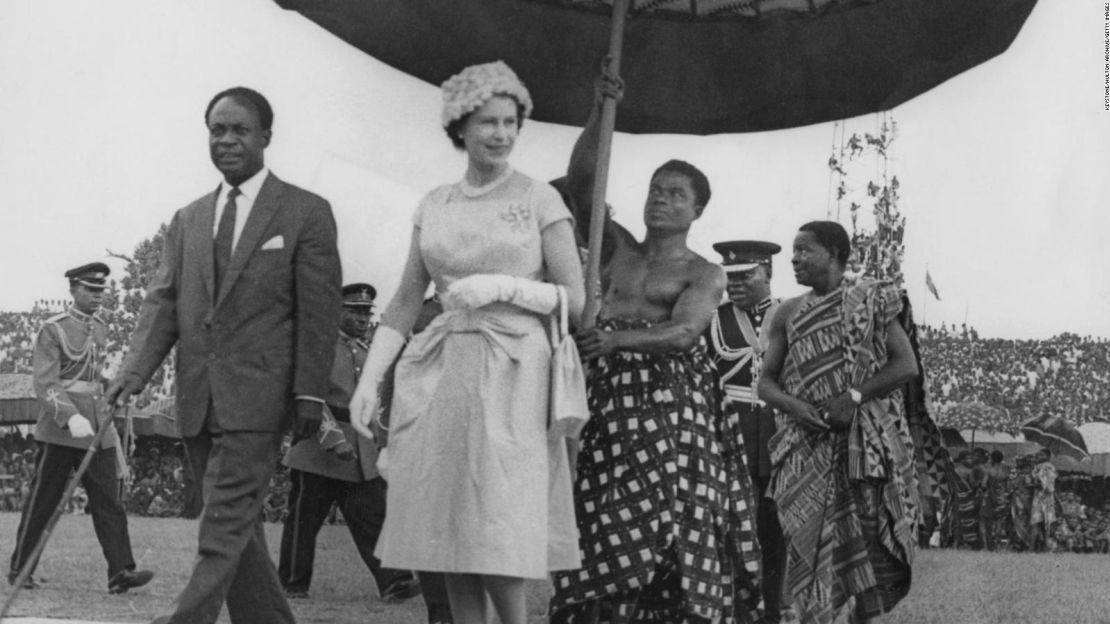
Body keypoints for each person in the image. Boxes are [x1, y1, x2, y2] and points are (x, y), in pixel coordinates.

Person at [347, 61, 585, 624]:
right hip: (445, 370)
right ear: (460, 127)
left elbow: (575, 299)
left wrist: (505, 286)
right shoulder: (435, 203)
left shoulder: (538, 200)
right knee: (448, 529)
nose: (501, 134)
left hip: (516, 370)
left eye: (510, 123)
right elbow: (406, 300)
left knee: (496, 522)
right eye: (488, 123)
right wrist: (367, 381)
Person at [106, 86, 342, 624]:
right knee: (238, 527)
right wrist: (132, 371)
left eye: (239, 130)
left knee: (222, 522)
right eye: (217, 129)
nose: (227, 140)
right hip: (197, 398)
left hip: (260, 399)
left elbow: (320, 312)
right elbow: (162, 300)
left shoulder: (305, 211)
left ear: (266, 137)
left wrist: (310, 391)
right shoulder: (188, 218)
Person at [548, 62, 762, 623]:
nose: (659, 200)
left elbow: (686, 332)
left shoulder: (704, 272)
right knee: (600, 503)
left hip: (670, 403)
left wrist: (617, 342)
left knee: (671, 508)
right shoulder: (616, 247)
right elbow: (581, 184)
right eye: (654, 190)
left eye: (674, 194)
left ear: (696, 210)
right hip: (606, 397)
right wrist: (601, 109)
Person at [758, 221, 924, 623]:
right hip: (806, 447)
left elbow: (906, 365)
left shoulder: (871, 300)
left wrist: (853, 396)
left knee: (865, 544)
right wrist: (797, 408)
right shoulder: (787, 311)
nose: (794, 259)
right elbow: (766, 382)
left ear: (834, 253)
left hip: (862, 445)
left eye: (804, 250)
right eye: (793, 252)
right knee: (804, 542)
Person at [9, 263, 153, 593]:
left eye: (101, 291)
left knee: (109, 501)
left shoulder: (101, 326)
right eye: (90, 290)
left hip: (96, 428)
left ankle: (121, 572)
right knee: (43, 501)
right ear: (73, 290)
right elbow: (45, 382)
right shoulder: (52, 329)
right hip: (62, 428)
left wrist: (120, 385)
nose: (97, 297)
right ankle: (21, 569)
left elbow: (94, 376)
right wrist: (70, 416)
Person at [277, 283, 420, 603]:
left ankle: (394, 580)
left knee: (373, 513)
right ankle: (292, 583)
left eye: (366, 312)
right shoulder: (319, 346)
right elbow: (308, 396)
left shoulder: (368, 350)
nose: (362, 318)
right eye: (354, 311)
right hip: (317, 447)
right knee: (304, 521)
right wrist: (332, 438)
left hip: (360, 450)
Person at [705, 240, 789, 623]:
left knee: (773, 528)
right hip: (729, 430)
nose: (734, 285)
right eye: (729, 277)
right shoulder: (712, 318)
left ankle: (771, 609)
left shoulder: (789, 315)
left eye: (745, 276)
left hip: (777, 434)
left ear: (768, 273)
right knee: (730, 526)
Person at [978, 450, 1011, 550]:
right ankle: (996, 545)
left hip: (988, 497)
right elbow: (1008, 487)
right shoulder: (1006, 470)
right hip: (1001, 498)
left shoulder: (989, 469)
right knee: (999, 521)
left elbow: (984, 484)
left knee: (983, 520)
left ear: (991, 458)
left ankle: (985, 545)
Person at [1029, 448, 1058, 553]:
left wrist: (1031, 484)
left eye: (1041, 455)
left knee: (1044, 523)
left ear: (1048, 457)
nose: (1037, 456)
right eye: (1037, 455)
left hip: (1045, 499)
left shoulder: (1048, 467)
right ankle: (1034, 548)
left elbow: (1047, 487)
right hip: (1038, 498)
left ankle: (1043, 548)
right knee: (1037, 523)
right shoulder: (1038, 467)